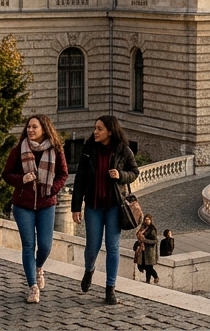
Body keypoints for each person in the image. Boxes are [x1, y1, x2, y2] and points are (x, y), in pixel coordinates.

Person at [71, 114, 140, 306]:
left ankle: (110, 288)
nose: (96, 132)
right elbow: (80, 179)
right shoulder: (88, 149)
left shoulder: (122, 150)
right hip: (93, 206)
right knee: (92, 246)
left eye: (99, 129)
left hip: (114, 207)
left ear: (110, 131)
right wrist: (76, 207)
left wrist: (120, 175)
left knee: (113, 247)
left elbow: (134, 172)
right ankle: (89, 269)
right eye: (95, 128)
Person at [0, 113, 68, 304]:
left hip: (47, 204)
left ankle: (38, 267)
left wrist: (52, 189)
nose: (30, 130)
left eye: (34, 127)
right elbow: (6, 175)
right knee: (28, 245)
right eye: (28, 127)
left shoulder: (55, 150)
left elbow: (63, 174)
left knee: (45, 245)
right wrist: (22, 180)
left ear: (44, 129)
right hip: (23, 205)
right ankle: (32, 287)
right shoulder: (18, 150)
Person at [135, 214, 160, 284]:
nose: (147, 221)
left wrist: (145, 240)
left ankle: (155, 277)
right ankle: (148, 280)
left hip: (149, 252)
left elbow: (155, 241)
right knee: (145, 266)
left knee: (148, 267)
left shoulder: (152, 229)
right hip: (143, 250)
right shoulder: (143, 227)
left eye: (148, 220)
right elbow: (138, 235)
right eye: (145, 220)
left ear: (151, 220)